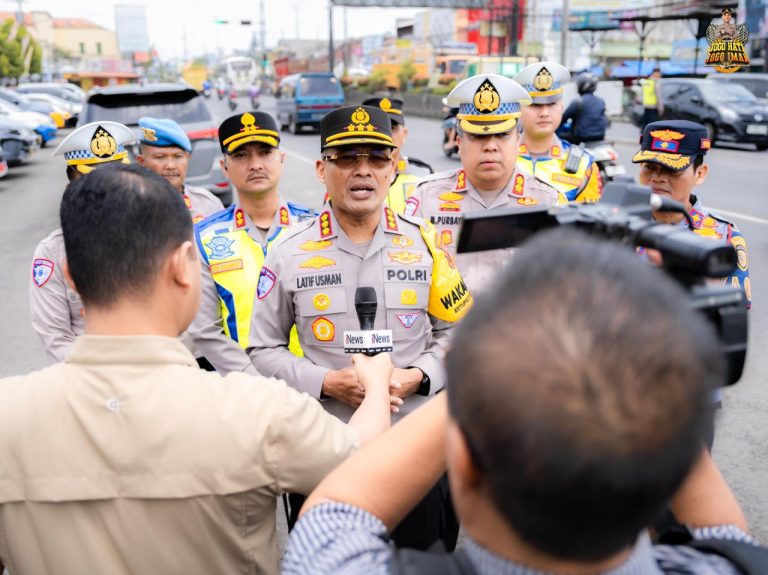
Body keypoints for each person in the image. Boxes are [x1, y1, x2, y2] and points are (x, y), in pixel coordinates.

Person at [283, 228, 754, 575]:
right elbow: (727, 533)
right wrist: (644, 353)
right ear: (669, 466)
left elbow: (336, 510)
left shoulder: (335, 563)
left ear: (462, 459)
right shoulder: (725, 567)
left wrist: (476, 373)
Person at [0, 164, 393, 575]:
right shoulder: (255, 410)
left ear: (70, 277)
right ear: (183, 265)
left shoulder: (8, 416)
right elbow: (360, 455)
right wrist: (377, 382)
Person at [247, 104, 473, 549]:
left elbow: (459, 332)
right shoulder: (287, 252)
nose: (362, 171)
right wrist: (328, 382)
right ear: (320, 168)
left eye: (376, 158)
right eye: (347, 158)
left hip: (417, 451)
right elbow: (263, 348)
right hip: (326, 452)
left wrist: (419, 377)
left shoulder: (426, 243)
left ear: (393, 167)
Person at [409, 73, 561, 295]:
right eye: (478, 136)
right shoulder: (426, 198)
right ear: (459, 143)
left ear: (518, 141)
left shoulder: (549, 202)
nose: (490, 146)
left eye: (502, 135)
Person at [189, 111, 313, 375]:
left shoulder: (314, 227)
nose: (255, 164)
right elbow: (205, 329)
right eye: (241, 155)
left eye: (264, 152)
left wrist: (316, 380)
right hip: (244, 391)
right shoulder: (205, 238)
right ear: (224, 166)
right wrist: (253, 379)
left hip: (317, 389)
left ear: (281, 159)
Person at [29, 121, 135, 362]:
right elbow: (55, 338)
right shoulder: (53, 252)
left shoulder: (156, 233)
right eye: (95, 178)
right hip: (90, 381)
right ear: (72, 186)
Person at [633, 119, 751, 308]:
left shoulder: (724, 236)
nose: (657, 178)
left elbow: (732, 316)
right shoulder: (620, 223)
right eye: (649, 167)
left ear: (700, 174)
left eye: (671, 169)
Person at [514, 62, 603, 203]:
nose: (544, 113)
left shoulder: (583, 165)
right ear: (519, 110)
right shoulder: (498, 159)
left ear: (561, 107)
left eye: (551, 104)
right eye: (535, 105)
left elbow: (588, 222)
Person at [136, 117, 223, 224]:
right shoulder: (132, 207)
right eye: (160, 157)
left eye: (178, 156)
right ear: (141, 162)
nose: (170, 166)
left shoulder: (208, 204)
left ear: (187, 158)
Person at [362, 97, 423, 214]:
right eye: (378, 129)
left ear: (404, 134)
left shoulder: (424, 175)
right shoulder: (351, 176)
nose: (386, 136)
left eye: (392, 128)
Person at [559, 72, 608, 144]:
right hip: (600, 137)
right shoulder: (601, 101)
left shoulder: (578, 102)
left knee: (559, 137)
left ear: (582, 86)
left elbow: (562, 118)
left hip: (581, 138)